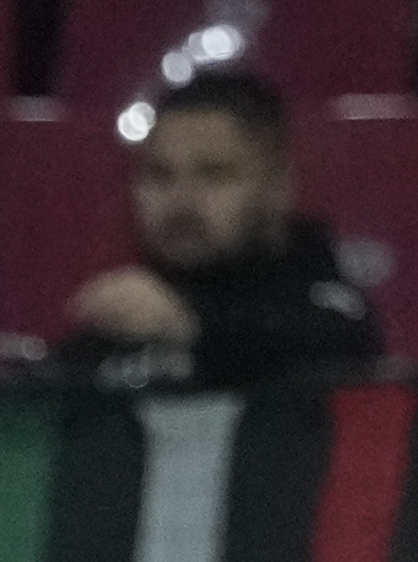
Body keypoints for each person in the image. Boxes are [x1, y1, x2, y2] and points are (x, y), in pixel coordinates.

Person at [61, 70, 383, 389]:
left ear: (279, 186)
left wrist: (186, 327)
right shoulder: (125, 319)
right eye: (159, 175)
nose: (181, 202)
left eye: (215, 174)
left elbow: (342, 341)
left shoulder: (319, 300)